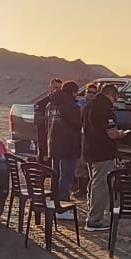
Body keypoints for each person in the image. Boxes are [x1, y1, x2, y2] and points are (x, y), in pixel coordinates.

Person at [82, 83, 126, 231]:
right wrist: (121, 134)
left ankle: (92, 213)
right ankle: (95, 220)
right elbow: (111, 133)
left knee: (93, 184)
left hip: (89, 150)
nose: (114, 101)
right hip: (103, 153)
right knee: (100, 186)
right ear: (110, 95)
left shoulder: (88, 106)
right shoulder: (105, 109)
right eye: (115, 98)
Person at [46, 80, 82, 210]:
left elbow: (47, 124)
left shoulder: (50, 105)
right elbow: (78, 124)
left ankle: (53, 202)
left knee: (55, 175)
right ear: (73, 92)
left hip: (53, 143)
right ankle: (61, 205)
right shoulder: (71, 106)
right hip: (68, 145)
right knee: (66, 176)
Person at [34, 77, 62, 163]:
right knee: (44, 166)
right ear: (50, 88)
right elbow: (36, 120)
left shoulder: (63, 103)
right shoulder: (42, 103)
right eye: (55, 87)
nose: (57, 90)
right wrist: (49, 118)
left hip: (59, 141)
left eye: (60, 88)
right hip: (44, 139)